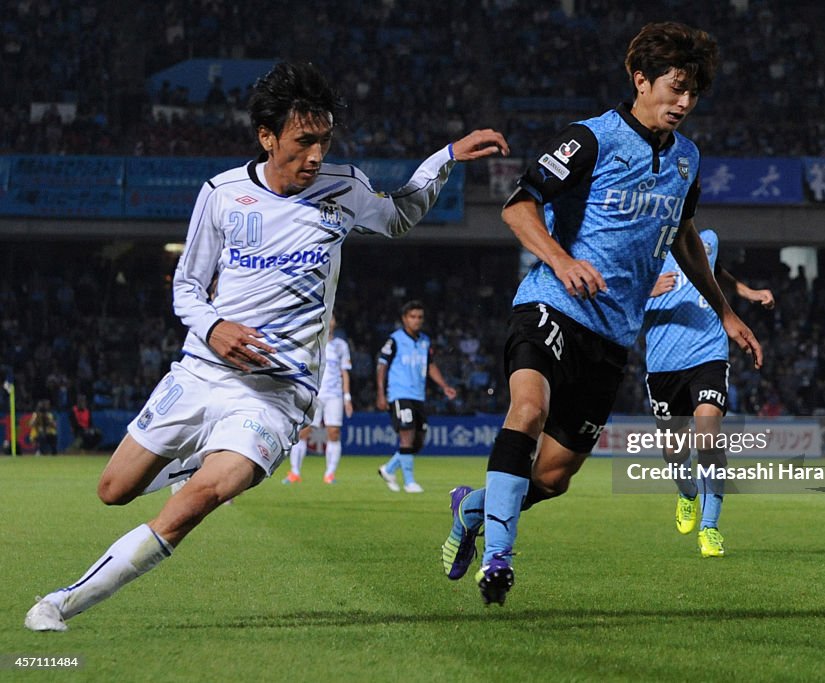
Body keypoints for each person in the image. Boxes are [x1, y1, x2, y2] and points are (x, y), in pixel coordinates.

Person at [24, 60, 508, 632]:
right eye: (304, 141)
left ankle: (60, 603)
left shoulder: (344, 189)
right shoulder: (223, 195)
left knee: (201, 498)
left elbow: (400, 213)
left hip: (277, 395)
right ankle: (193, 463)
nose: (315, 156)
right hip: (202, 372)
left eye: (324, 141)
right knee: (113, 490)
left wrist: (446, 157)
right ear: (267, 136)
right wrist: (214, 328)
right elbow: (186, 285)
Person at [441, 22, 761, 606]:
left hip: (612, 335)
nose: (685, 102)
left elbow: (683, 235)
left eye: (694, 93)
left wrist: (726, 311)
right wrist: (561, 261)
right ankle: (498, 559)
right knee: (528, 409)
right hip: (551, 305)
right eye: (676, 87)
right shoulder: (591, 139)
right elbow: (519, 208)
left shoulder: (687, 159)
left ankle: (474, 508)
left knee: (554, 477)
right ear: (641, 80)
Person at [644, 229, 775, 558]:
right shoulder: (643, 243)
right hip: (662, 362)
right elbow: (612, 291)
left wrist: (746, 292)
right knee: (674, 452)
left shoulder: (707, 239)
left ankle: (710, 527)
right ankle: (688, 493)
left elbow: (712, 271)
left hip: (708, 353)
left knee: (707, 436)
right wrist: (646, 290)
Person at [376, 300, 457, 493]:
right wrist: (380, 393)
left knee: (418, 440)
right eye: (412, 317)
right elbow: (382, 366)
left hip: (418, 396)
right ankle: (410, 482)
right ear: (404, 319)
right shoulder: (394, 340)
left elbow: (430, 366)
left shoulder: (425, 341)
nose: (417, 320)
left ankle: (388, 469)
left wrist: (444, 385)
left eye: (420, 317)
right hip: (399, 393)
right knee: (407, 435)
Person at [282, 312, 353, 484]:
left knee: (334, 433)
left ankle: (329, 474)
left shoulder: (341, 345)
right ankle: (294, 472)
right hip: (314, 392)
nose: (331, 320)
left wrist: (347, 397)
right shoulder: (312, 341)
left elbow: (345, 372)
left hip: (334, 395)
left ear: (335, 322)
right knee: (304, 432)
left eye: (334, 318)